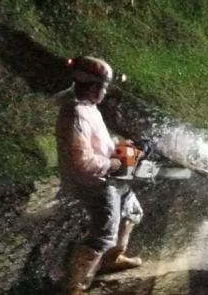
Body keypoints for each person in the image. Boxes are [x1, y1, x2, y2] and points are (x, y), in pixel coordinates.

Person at [56, 56, 143, 295]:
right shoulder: (76, 114)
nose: (104, 91)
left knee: (133, 212)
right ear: (94, 87)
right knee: (103, 234)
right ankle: (74, 286)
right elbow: (81, 161)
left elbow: (97, 144)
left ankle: (113, 258)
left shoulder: (89, 108)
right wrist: (114, 162)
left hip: (109, 176)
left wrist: (121, 145)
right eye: (103, 87)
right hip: (94, 183)